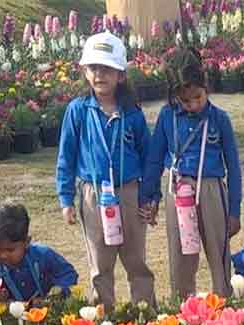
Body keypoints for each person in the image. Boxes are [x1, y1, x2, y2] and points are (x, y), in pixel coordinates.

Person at [56, 32, 155, 309]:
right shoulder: (78, 111)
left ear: (121, 74)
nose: (100, 74)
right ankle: (105, 319)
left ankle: (145, 313)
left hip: (129, 192)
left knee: (136, 259)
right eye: (94, 68)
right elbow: (66, 156)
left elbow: (148, 158)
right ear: (84, 71)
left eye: (107, 68)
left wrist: (150, 196)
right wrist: (66, 200)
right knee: (100, 263)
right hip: (93, 193)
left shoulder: (132, 113)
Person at [141, 47, 243, 300]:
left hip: (211, 190)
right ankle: (184, 308)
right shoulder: (167, 117)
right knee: (181, 256)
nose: (194, 105)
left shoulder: (220, 119)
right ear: (174, 96)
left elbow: (233, 167)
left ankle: (224, 306)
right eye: (186, 101)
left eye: (198, 97)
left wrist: (234, 211)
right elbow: (154, 161)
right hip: (179, 191)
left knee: (218, 254)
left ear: (205, 87)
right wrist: (148, 198)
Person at [0, 202, 78, 304]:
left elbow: (68, 274)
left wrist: (58, 291)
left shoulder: (43, 256)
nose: (3, 255)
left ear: (27, 242)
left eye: (10, 250)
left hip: (48, 311)